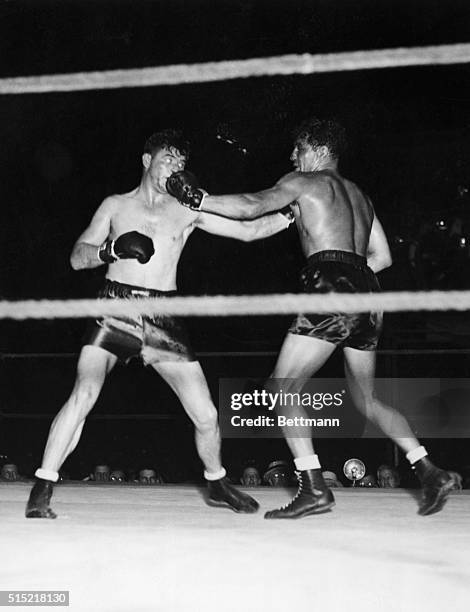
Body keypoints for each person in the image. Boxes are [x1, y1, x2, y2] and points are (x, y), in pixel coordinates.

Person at [167, 116, 454, 518]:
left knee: (280, 389)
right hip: (368, 292)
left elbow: (252, 206)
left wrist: (199, 199)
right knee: (367, 400)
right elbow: (383, 258)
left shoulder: (305, 182)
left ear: (318, 150)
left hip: (331, 285)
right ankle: (429, 471)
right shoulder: (359, 196)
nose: (292, 156)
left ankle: (314, 486)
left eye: (298, 149)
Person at [26, 129, 293, 519]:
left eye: (182, 163)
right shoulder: (115, 205)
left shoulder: (187, 209)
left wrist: (291, 212)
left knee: (205, 413)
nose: (176, 168)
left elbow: (249, 230)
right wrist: (112, 248)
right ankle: (42, 486)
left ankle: (217, 481)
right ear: (147, 160)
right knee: (84, 392)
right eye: (169, 159)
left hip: (163, 316)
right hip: (114, 308)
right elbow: (77, 257)